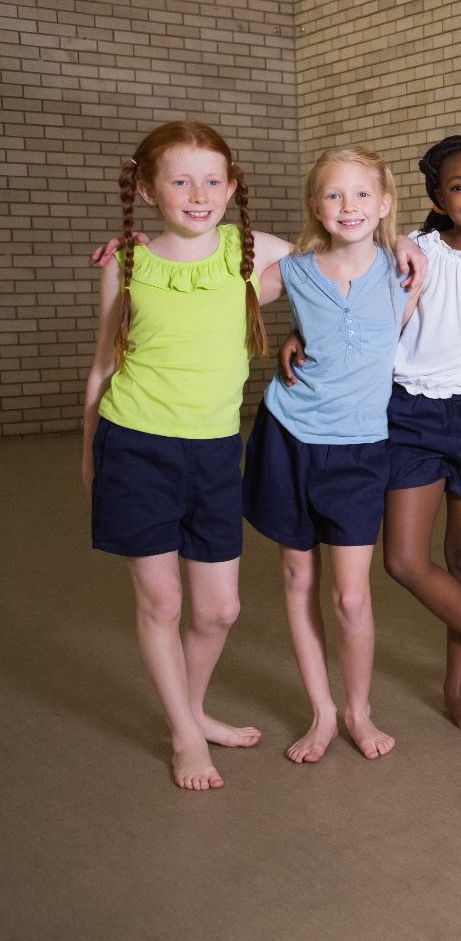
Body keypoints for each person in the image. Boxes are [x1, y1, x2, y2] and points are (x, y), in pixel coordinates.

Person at [281, 135, 461, 732]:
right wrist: (302, 335)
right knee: (402, 559)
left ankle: (456, 689)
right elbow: (339, 284)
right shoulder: (408, 251)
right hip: (408, 413)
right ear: (435, 197)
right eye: (457, 186)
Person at [83, 120, 293, 790]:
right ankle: (183, 731)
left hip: (212, 450)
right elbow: (101, 367)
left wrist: (408, 244)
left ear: (232, 187)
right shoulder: (129, 261)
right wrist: (90, 457)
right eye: (179, 180)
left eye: (211, 180)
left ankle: (194, 708)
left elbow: (346, 246)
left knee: (218, 608)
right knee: (161, 600)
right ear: (148, 189)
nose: (197, 193)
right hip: (133, 443)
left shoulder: (250, 252)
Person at [244, 146, 419, 763]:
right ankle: (321, 713)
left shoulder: (407, 271)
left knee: (351, 596)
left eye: (363, 195)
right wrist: (131, 258)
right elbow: (214, 280)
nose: (350, 207)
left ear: (385, 204)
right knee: (298, 577)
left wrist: (412, 243)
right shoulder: (293, 271)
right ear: (316, 207)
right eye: (334, 195)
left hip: (360, 450)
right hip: (289, 437)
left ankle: (357, 711)